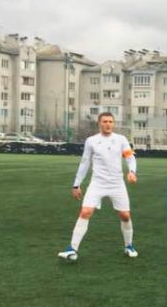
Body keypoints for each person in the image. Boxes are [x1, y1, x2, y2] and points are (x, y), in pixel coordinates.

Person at [57, 112, 138, 262]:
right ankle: (72, 249)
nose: (108, 124)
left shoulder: (121, 140)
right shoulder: (91, 141)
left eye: (110, 121)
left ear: (113, 124)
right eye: (105, 121)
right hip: (97, 183)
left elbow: (130, 157)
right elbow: (85, 162)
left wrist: (132, 172)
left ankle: (129, 246)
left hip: (117, 184)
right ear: (99, 124)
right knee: (85, 212)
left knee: (125, 216)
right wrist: (76, 184)